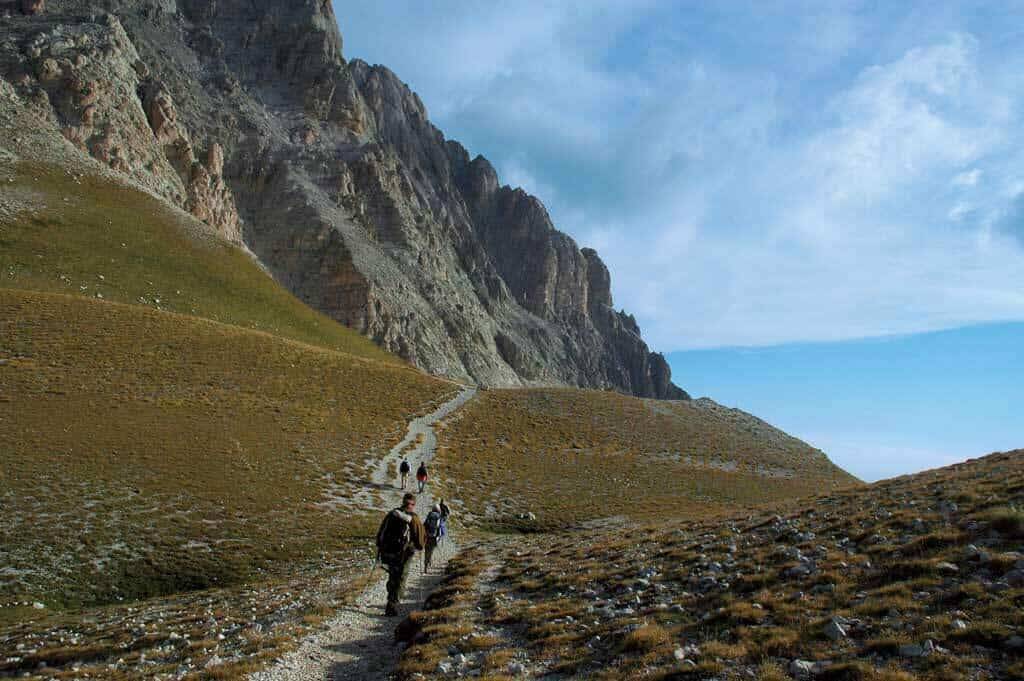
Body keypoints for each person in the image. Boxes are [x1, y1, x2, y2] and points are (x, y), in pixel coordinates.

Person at [376, 492, 426, 616]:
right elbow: (420, 543)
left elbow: (380, 534)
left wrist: (381, 549)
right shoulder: (413, 518)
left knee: (393, 577)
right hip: (405, 554)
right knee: (401, 578)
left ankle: (390, 601)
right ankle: (393, 604)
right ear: (413, 504)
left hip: (389, 553)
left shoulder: (392, 514)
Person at [423, 503, 443, 572]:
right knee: (431, 550)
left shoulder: (429, 515)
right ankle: (429, 562)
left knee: (426, 550)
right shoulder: (439, 516)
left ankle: (425, 565)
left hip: (427, 536)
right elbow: (440, 527)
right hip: (434, 537)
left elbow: (424, 525)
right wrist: (440, 536)